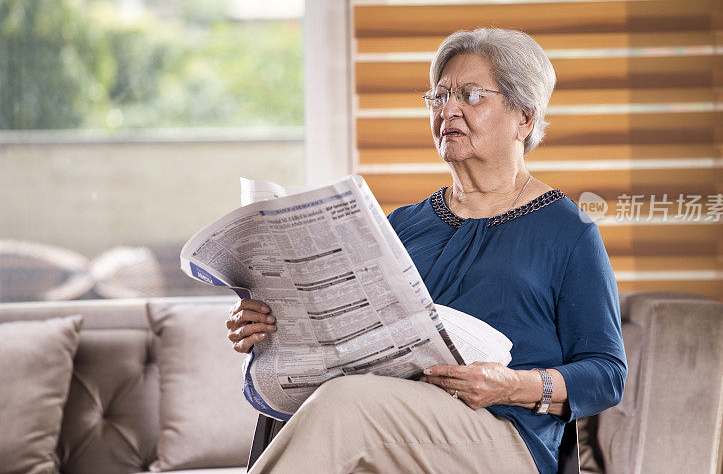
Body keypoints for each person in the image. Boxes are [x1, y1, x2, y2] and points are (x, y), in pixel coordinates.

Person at [226, 28, 627, 474]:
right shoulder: (400, 225)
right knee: (307, 409)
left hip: (503, 435)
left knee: (345, 405)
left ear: (524, 118)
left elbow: (607, 373)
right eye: (438, 97)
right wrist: (275, 324)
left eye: (471, 96)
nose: (448, 110)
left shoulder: (567, 229)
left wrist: (512, 385)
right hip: (393, 420)